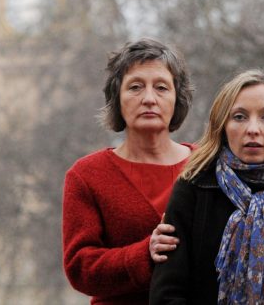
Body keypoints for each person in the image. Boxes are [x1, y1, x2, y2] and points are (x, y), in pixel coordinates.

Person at [149, 69, 264, 305]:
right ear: (221, 125)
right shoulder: (192, 188)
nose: (253, 129)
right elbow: (167, 293)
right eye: (239, 117)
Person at [62, 37, 195, 304]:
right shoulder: (86, 176)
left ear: (176, 98)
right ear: (117, 98)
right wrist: (144, 254)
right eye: (135, 87)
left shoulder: (208, 166)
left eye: (161, 88)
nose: (149, 98)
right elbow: (80, 268)